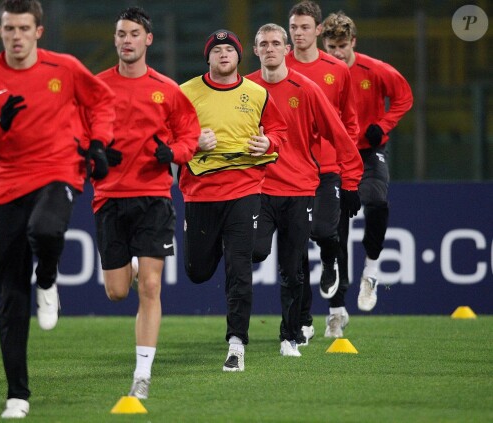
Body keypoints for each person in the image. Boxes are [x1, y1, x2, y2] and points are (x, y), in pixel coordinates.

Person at [0, 0, 115, 418]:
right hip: (7, 186)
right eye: (9, 29)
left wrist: (97, 144)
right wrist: (0, 126)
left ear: (38, 31)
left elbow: (102, 103)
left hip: (59, 170)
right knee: (10, 295)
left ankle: (47, 280)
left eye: (24, 28)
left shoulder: (63, 68)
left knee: (46, 231)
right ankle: (17, 394)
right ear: (0, 31)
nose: (17, 36)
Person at [89, 7, 200, 399]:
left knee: (150, 287)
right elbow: (77, 136)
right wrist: (95, 155)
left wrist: (172, 153)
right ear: (115, 39)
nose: (127, 40)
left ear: (147, 39)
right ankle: (134, 266)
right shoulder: (96, 87)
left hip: (154, 197)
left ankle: (142, 374)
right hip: (110, 198)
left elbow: (191, 137)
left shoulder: (168, 89)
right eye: (121, 34)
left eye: (134, 33)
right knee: (117, 292)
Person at [246, 23, 362, 356]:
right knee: (253, 252)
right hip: (258, 187)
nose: (269, 48)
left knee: (293, 264)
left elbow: (339, 134)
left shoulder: (307, 89)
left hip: (299, 186)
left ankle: (292, 332)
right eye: (263, 43)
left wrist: (351, 180)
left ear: (286, 50)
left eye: (275, 43)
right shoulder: (245, 89)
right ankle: (242, 332)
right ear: (256, 51)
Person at [179, 29, 287, 371]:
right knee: (197, 271)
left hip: (245, 189)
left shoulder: (257, 93)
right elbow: (166, 135)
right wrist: (193, 141)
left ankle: (237, 343)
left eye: (229, 50)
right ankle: (211, 250)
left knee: (239, 268)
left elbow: (279, 132)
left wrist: (267, 144)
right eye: (216, 50)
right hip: (200, 192)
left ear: (240, 57)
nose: (223, 54)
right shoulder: (185, 93)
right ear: (207, 58)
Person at [321, 11, 413, 329]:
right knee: (336, 228)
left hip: (369, 152)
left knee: (376, 201)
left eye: (342, 45)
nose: (336, 53)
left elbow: (403, 96)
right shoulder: (319, 74)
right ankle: (336, 311)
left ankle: (371, 273)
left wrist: (382, 125)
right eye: (331, 46)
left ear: (353, 42)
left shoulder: (373, 70)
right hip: (333, 156)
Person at [287, 0, 362, 342]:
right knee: (295, 246)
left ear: (318, 30)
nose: (298, 33)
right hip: (288, 171)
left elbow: (350, 126)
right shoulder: (277, 65)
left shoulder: (338, 70)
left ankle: (330, 265)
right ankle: (303, 319)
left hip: (328, 169)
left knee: (325, 232)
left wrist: (351, 177)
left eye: (305, 27)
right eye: (294, 27)